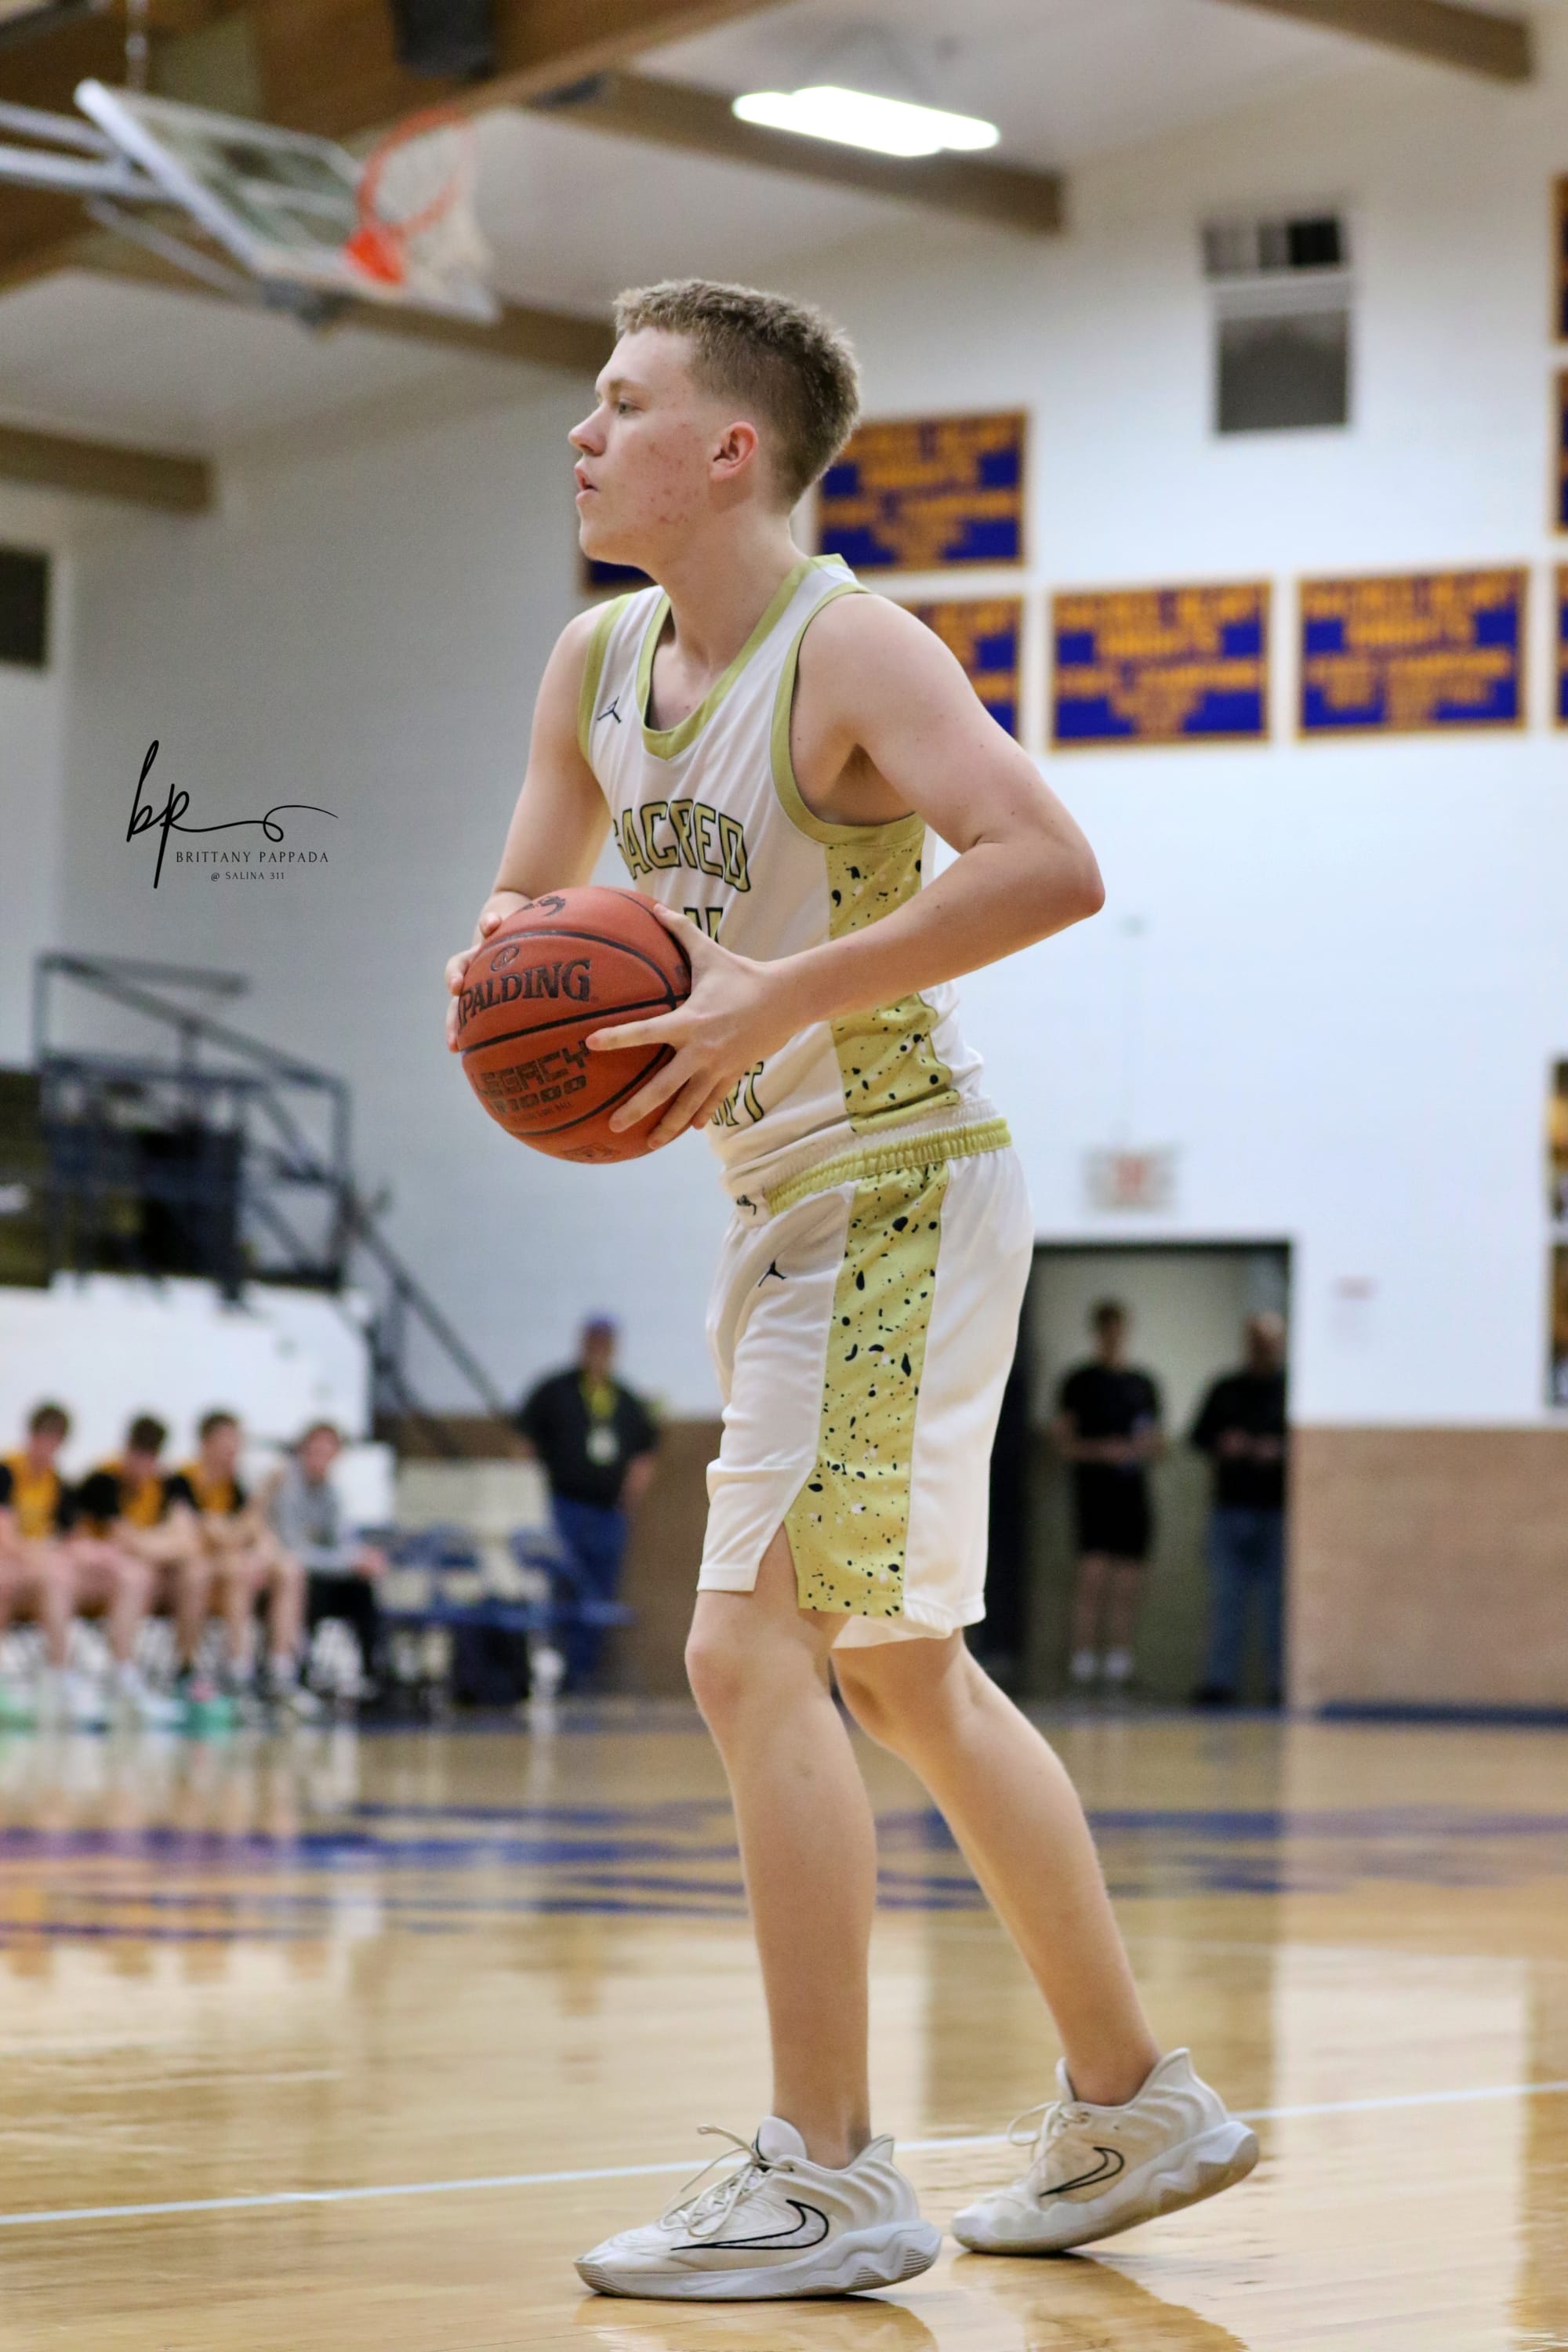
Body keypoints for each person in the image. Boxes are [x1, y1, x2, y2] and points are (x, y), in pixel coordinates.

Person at [445, 278, 1256, 2302]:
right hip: (775, 1200)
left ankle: (824, 2172)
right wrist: (502, 980)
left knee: (748, 1654)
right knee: (897, 1671)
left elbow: (1047, 861)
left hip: (898, 1180)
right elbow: (532, 892)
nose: (581, 432)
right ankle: (1132, 2100)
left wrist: (776, 994)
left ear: (730, 450)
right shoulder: (593, 657)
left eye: (621, 402)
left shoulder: (853, 646)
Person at [0, 1403, 179, 1729]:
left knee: (130, 1575)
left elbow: (74, 1538)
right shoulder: (8, 1472)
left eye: (56, 1440)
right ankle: (56, 1675)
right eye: (44, 1437)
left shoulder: (58, 1484)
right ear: (31, 1436)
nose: (49, 1447)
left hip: (42, 1568)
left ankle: (123, 1673)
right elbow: (6, 1538)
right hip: (16, 1568)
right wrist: (52, 1553)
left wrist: (92, 1554)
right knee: (51, 1574)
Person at [514, 1317, 659, 1690]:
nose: (598, 1350)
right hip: (565, 1507)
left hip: (608, 1513)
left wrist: (628, 1498)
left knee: (599, 1594)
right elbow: (524, 1444)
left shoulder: (625, 1399)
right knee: (561, 1586)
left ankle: (582, 1674)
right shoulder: (555, 1390)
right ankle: (553, 1669)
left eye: (605, 1343)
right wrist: (532, 1493)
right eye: (593, 1342)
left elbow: (645, 1454)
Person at [165, 1411, 318, 1718]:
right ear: (206, 1444)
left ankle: (281, 1669)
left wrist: (263, 1552)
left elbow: (256, 1534)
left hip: (227, 1568)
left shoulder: (234, 1485)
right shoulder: (183, 1481)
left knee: (289, 1570)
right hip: (187, 1575)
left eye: (236, 1444)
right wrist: (264, 1495)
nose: (233, 1451)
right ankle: (233, 1670)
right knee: (234, 1570)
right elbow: (219, 1537)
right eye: (226, 1443)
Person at [1053, 1301, 1164, 1693]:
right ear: (1097, 1332)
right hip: (1093, 1496)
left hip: (1132, 1496)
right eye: (1107, 1329)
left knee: (1127, 1585)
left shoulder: (1142, 1384)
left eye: (1119, 1329)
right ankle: (1083, 1668)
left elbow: (1157, 1443)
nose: (1113, 1336)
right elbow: (1062, 1444)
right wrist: (1102, 1451)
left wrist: (1139, 1449)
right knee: (1092, 1580)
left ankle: (1119, 1668)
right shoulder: (1078, 1383)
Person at [73, 1414, 217, 1714]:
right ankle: (123, 1673)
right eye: (138, 1455)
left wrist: (148, 1545)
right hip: (106, 1579)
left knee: (196, 1571)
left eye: (150, 1457)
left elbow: (188, 1540)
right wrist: (163, 1540)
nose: (143, 1466)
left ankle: (186, 1669)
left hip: (153, 1575)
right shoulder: (104, 1480)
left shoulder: (170, 1484)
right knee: (134, 1575)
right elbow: (122, 1541)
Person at [1189, 1312, 1289, 1708]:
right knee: (1226, 1600)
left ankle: (1281, 1685)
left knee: (1277, 1605)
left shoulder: (1291, 1390)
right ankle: (1219, 1683)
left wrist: (1279, 1452)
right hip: (1229, 1509)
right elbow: (1198, 1437)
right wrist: (1225, 1443)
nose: (1264, 1348)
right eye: (1257, 1340)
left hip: (1277, 1511)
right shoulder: (1226, 1388)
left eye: (1270, 1341)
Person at [262, 1421, 387, 1700]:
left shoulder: (332, 1493)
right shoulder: (286, 1489)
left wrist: (361, 1558)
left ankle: (371, 1676)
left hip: (318, 1573)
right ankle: (293, 1673)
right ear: (302, 1452)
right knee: (305, 1583)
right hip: (284, 1577)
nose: (321, 1459)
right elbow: (293, 1550)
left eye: (328, 1453)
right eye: (315, 1451)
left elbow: (342, 1541)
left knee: (361, 1589)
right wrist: (348, 1562)